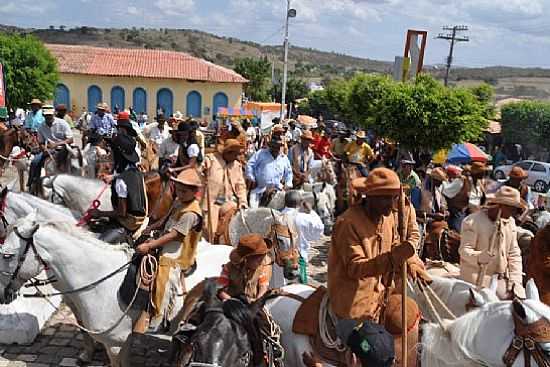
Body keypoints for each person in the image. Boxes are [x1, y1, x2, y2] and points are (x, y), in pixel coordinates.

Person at [328, 168, 429, 322]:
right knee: (375, 345)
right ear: (370, 197)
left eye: (394, 198)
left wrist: (410, 261)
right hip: (353, 303)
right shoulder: (347, 223)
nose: (391, 204)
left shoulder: (387, 218)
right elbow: (355, 268)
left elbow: (394, 243)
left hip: (381, 297)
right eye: (386, 198)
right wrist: (391, 259)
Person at [136, 168, 204, 330]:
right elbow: (164, 221)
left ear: (194, 192)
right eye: (178, 189)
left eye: (184, 191)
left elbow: (175, 235)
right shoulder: (178, 202)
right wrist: (148, 229)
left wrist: (150, 245)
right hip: (165, 240)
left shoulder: (191, 213)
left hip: (177, 252)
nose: (180, 193)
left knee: (163, 276)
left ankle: (158, 317)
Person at [459, 186, 526, 298]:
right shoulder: (472, 221)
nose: (515, 212)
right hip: (477, 277)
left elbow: (514, 253)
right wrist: (479, 257)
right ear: (500, 206)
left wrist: (515, 281)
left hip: (501, 278)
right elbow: (464, 251)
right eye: (512, 208)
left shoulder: (510, 222)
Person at [90, 131, 147, 243]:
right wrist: (113, 177)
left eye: (112, 151)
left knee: (97, 243)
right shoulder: (135, 170)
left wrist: (99, 213)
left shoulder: (121, 181)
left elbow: (121, 212)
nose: (110, 153)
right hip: (140, 218)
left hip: (128, 224)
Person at [203, 139, 248, 242]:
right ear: (227, 153)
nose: (237, 157)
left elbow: (241, 186)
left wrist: (243, 202)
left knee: (237, 223)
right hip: (211, 203)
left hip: (229, 201)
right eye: (235, 154)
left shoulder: (237, 165)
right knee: (209, 229)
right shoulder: (211, 160)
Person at [281, 191, 324, 284]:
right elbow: (320, 228)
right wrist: (311, 211)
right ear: (300, 203)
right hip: (299, 260)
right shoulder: (303, 218)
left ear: (285, 202)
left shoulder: (277, 216)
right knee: (299, 290)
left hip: (281, 261)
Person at [27, 106, 73, 192]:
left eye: (50, 115)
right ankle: (32, 183)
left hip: (64, 148)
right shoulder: (41, 127)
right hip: (49, 150)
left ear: (53, 114)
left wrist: (56, 144)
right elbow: (40, 142)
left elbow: (70, 139)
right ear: (43, 116)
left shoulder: (62, 123)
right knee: (34, 162)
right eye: (46, 115)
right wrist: (43, 148)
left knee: (77, 160)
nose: (48, 117)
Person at [217, 233, 272, 303]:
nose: (261, 263)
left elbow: (263, 286)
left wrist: (258, 300)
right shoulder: (228, 268)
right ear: (246, 259)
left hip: (252, 302)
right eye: (259, 260)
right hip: (233, 303)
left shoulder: (260, 269)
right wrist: (232, 301)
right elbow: (220, 290)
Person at [245, 136, 293, 209]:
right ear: (270, 146)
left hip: (277, 190)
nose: (276, 148)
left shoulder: (284, 158)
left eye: (278, 146)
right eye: (274, 146)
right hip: (259, 189)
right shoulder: (261, 153)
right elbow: (250, 165)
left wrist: (288, 184)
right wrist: (252, 178)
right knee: (253, 211)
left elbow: (289, 173)